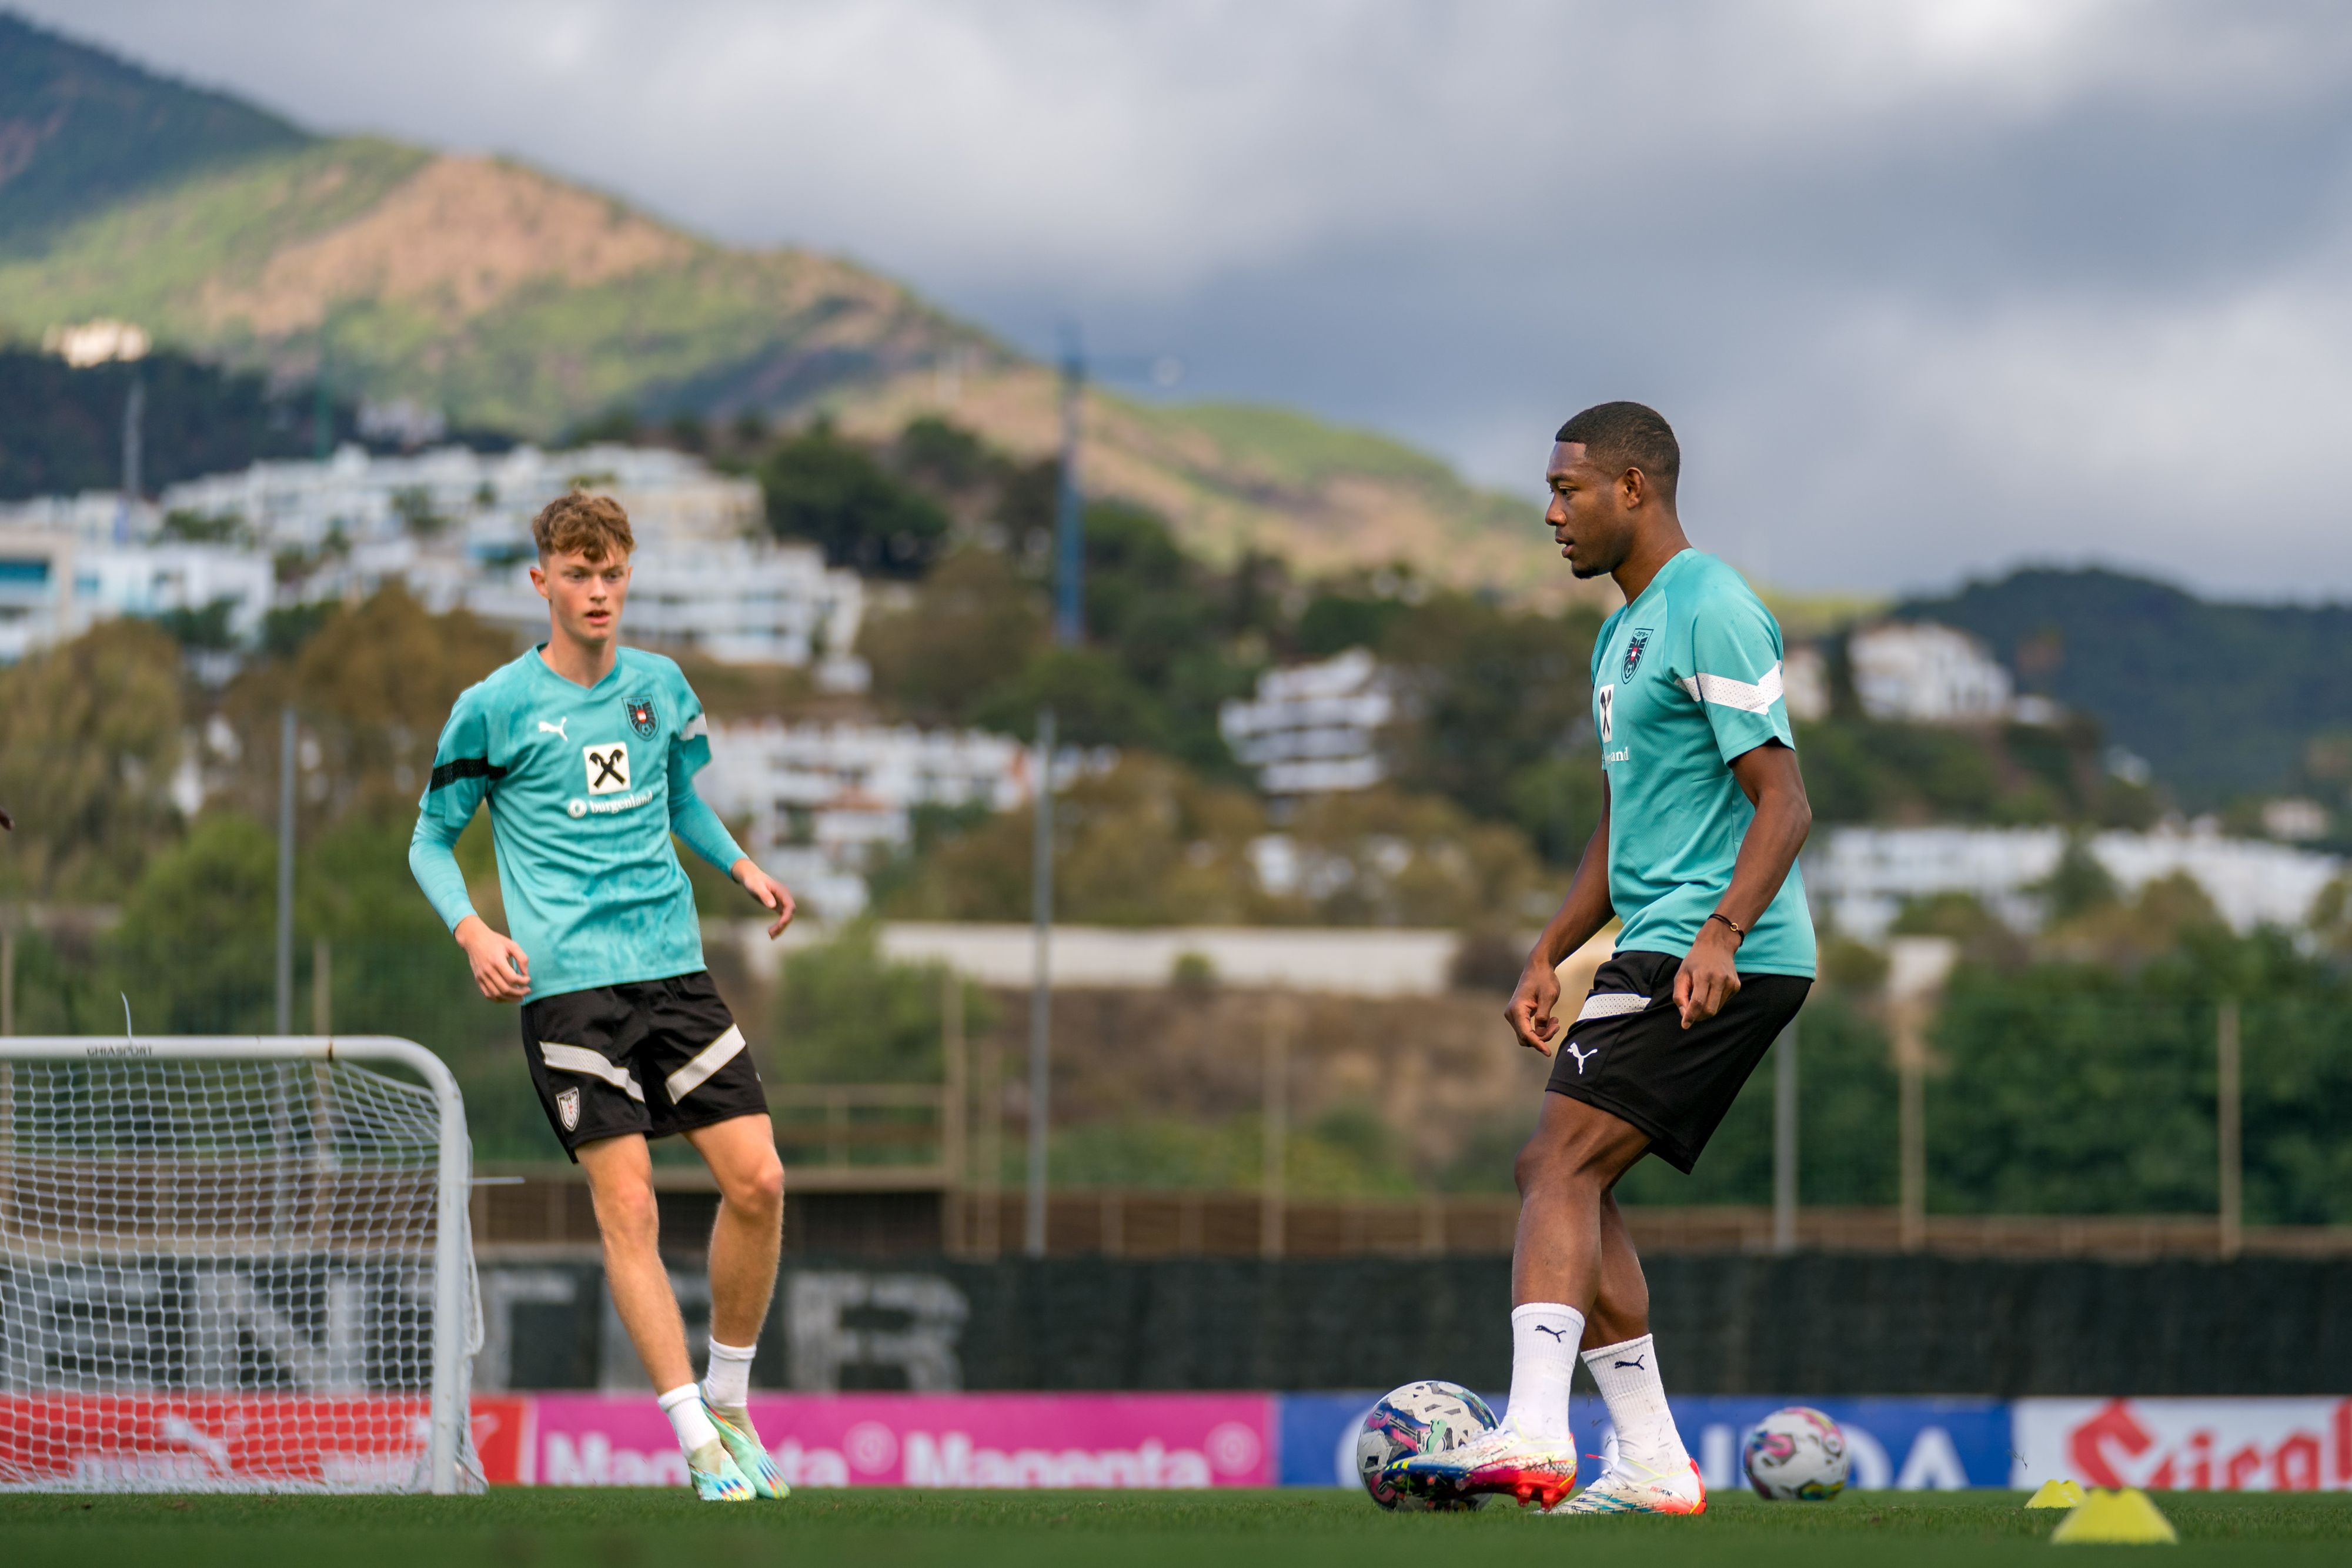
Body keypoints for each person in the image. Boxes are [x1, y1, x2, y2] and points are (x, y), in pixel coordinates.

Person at [1394, 402, 1814, 1514]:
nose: (1552, 511)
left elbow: (1785, 800)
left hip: (1716, 947)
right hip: (1658, 940)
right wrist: (1548, 950)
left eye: (1568, 490)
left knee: (1556, 1165)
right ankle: (1656, 1464)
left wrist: (1722, 933)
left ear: (1633, 488)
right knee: (1576, 1178)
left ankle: (1534, 1431)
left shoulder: (1712, 606)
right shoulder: (1619, 634)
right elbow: (1624, 821)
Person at [409, 490, 798, 1503]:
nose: (597, 591)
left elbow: (678, 803)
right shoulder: (493, 705)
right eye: (578, 574)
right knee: (628, 1204)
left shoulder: (661, 686)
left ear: (630, 577)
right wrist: (475, 932)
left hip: (675, 974)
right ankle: (693, 1440)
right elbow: (428, 838)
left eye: (613, 572)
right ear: (541, 581)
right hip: (572, 997)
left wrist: (742, 866)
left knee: (758, 1181)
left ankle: (731, 1396)